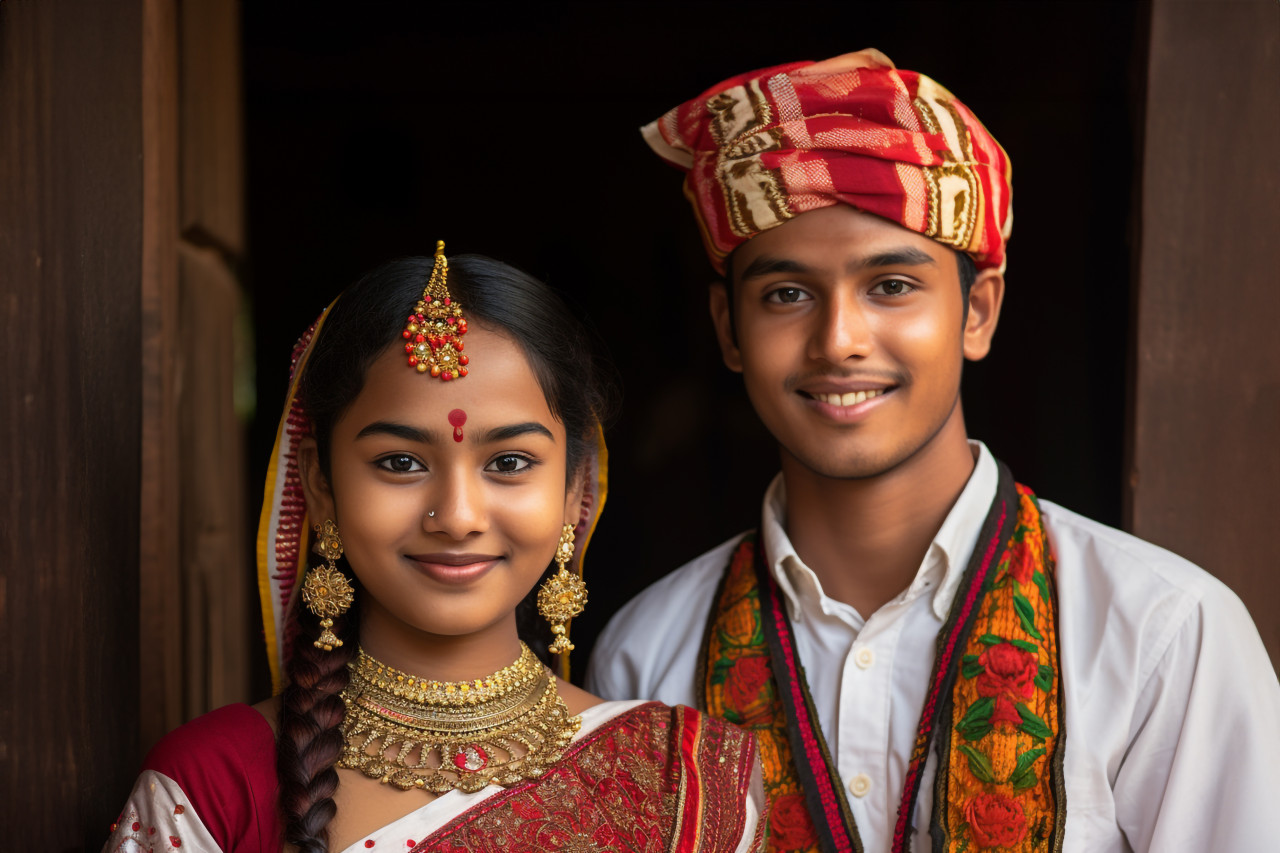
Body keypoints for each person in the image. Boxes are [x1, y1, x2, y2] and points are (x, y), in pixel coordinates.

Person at [586, 50, 1280, 852]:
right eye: (787, 293)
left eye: (891, 286)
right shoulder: (647, 657)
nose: (839, 341)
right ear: (727, 329)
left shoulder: (1161, 632)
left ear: (978, 311)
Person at [104, 245, 765, 853]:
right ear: (321, 486)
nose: (456, 515)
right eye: (398, 461)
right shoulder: (211, 785)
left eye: (508, 461)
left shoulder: (685, 777)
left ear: (575, 490)